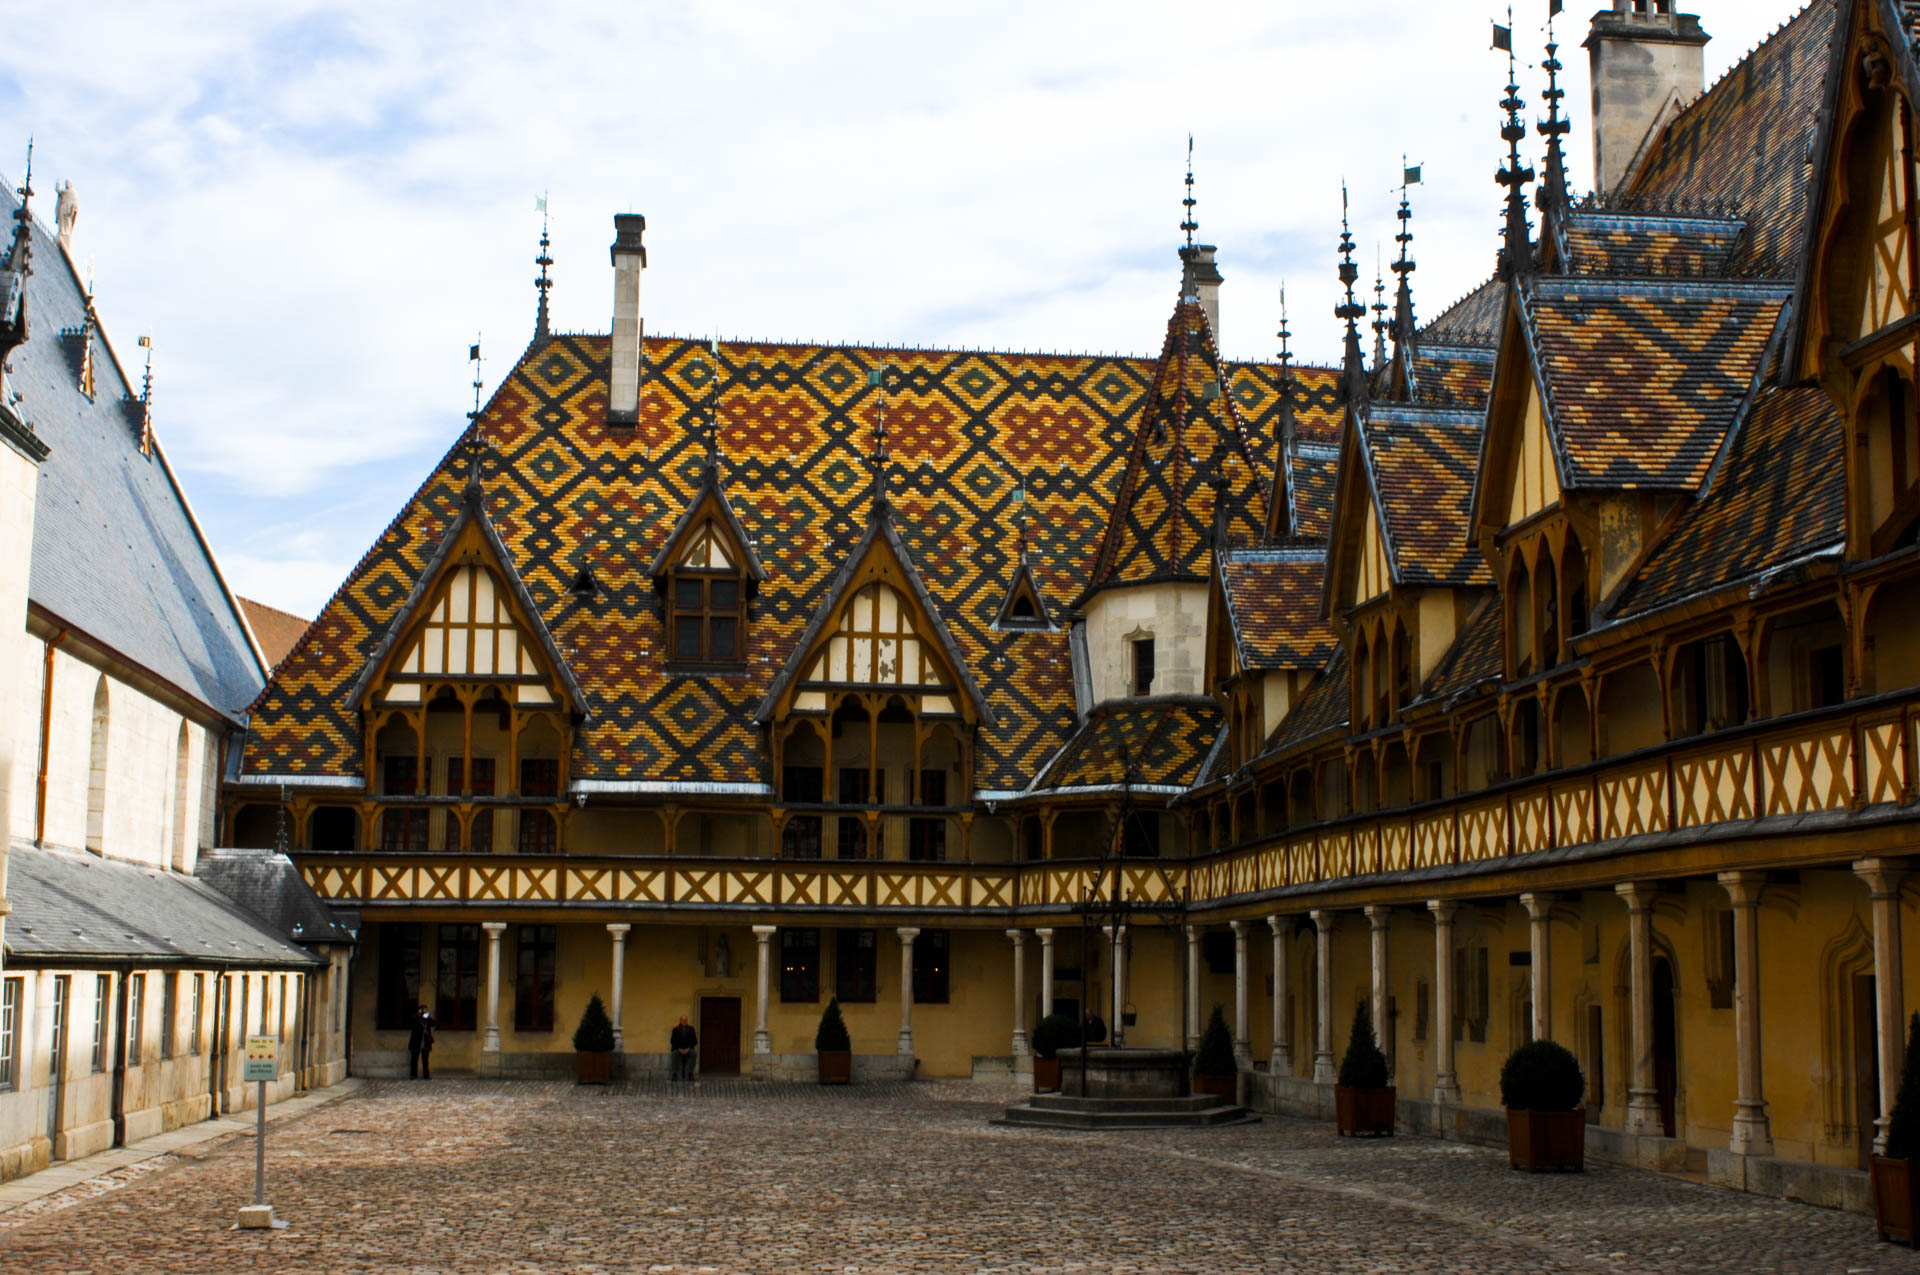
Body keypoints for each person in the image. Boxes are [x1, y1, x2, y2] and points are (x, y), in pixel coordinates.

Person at [408, 1004, 435, 1080]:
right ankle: (413, 1075)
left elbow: (433, 1023)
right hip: (416, 1042)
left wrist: (428, 1017)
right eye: (423, 1010)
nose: (424, 1011)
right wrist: (418, 1015)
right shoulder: (415, 1018)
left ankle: (426, 1075)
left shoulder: (427, 1019)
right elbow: (412, 1024)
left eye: (425, 1010)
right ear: (419, 1010)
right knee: (414, 1059)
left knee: (425, 1060)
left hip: (425, 1043)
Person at [669, 1015, 698, 1081]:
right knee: (674, 1054)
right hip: (678, 1049)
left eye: (685, 1020)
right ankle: (674, 1074)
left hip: (688, 1048)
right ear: (680, 1021)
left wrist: (688, 1049)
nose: (684, 1021)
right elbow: (672, 1041)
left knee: (694, 1054)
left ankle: (690, 1073)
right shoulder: (675, 1029)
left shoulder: (691, 1029)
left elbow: (695, 1041)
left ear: (687, 1021)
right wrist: (679, 1049)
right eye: (683, 1020)